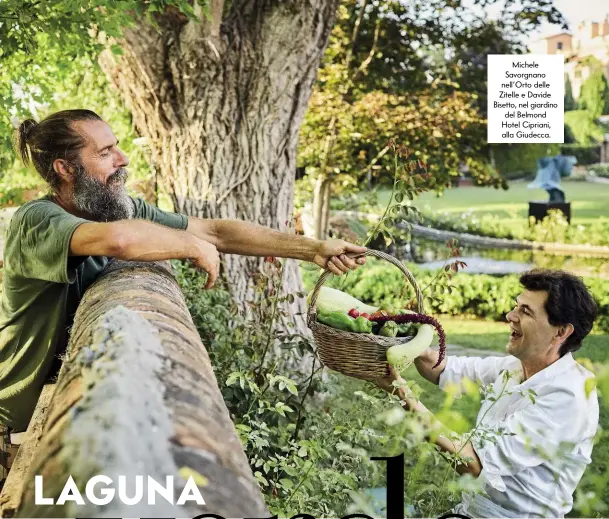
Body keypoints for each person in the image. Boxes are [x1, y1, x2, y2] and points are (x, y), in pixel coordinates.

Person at [0, 109, 368, 438]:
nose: (122, 159)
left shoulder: (113, 207)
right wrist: (190, 246)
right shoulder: (37, 220)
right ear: (65, 169)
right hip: (16, 417)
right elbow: (122, 241)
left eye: (117, 146)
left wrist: (314, 249)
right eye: (105, 152)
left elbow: (215, 232)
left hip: (62, 401)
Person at [377, 269, 599, 518]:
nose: (510, 316)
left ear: (560, 332)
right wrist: (413, 346)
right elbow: (446, 370)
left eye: (525, 312)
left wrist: (402, 394)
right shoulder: (516, 367)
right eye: (516, 306)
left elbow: (473, 463)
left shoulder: (569, 397)